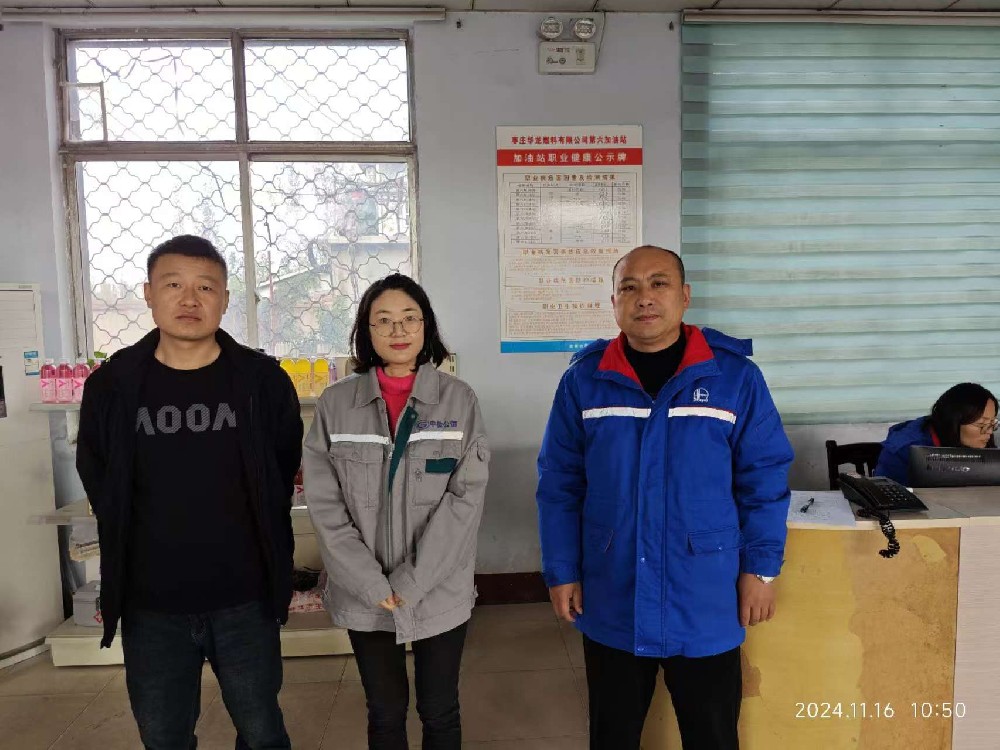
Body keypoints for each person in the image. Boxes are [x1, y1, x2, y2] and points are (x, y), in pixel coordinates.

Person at [536, 245, 793, 750]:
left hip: (705, 594)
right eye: (629, 287)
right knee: (612, 734)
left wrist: (761, 571)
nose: (645, 297)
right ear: (614, 302)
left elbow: (763, 480)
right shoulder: (584, 380)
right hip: (614, 590)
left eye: (659, 283)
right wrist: (561, 570)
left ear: (685, 296)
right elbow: (560, 483)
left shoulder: (734, 378)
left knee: (712, 735)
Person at [77, 235, 303, 750]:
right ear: (148, 294)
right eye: (173, 284)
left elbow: (281, 462)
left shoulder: (262, 381)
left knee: (263, 732)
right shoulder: (112, 385)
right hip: (150, 602)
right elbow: (97, 471)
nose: (189, 299)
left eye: (206, 287)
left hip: (245, 597)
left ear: (225, 298)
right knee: (163, 736)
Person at [303, 273, 489, 750]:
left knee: (440, 709)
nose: (398, 330)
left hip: (438, 585)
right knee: (384, 712)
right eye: (383, 320)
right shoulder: (335, 404)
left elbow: (465, 500)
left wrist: (412, 581)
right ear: (366, 331)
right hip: (365, 591)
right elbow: (325, 504)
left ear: (427, 326)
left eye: (410, 318)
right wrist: (370, 582)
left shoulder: (459, 400)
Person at [874, 382, 998, 485]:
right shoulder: (903, 450)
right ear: (953, 422)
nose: (989, 431)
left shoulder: (978, 438)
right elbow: (884, 497)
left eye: (992, 423)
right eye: (981, 424)